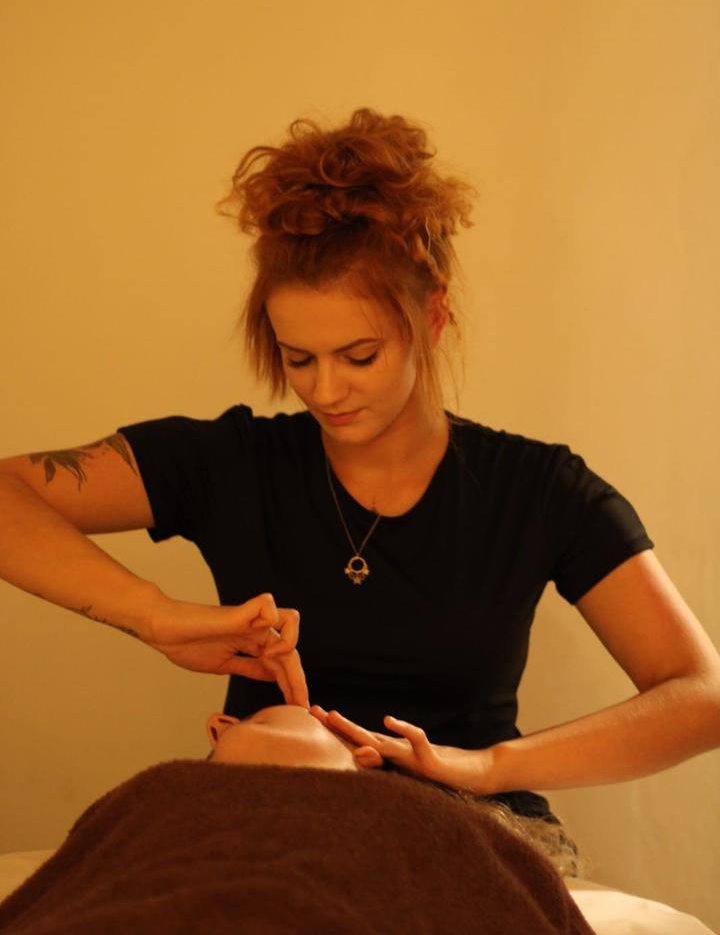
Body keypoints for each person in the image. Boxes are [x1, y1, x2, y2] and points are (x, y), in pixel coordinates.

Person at [1, 106, 719, 825]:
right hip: (267, 829)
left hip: (464, 830)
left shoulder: (538, 492)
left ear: (430, 320)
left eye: (359, 356)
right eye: (298, 359)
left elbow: (701, 696)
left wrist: (490, 766)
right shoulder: (230, 463)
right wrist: (154, 616)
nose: (325, 390)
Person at [0, 705, 594, 934]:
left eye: (257, 716)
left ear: (365, 759)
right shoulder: (157, 796)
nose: (220, 723)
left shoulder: (437, 823)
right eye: (248, 720)